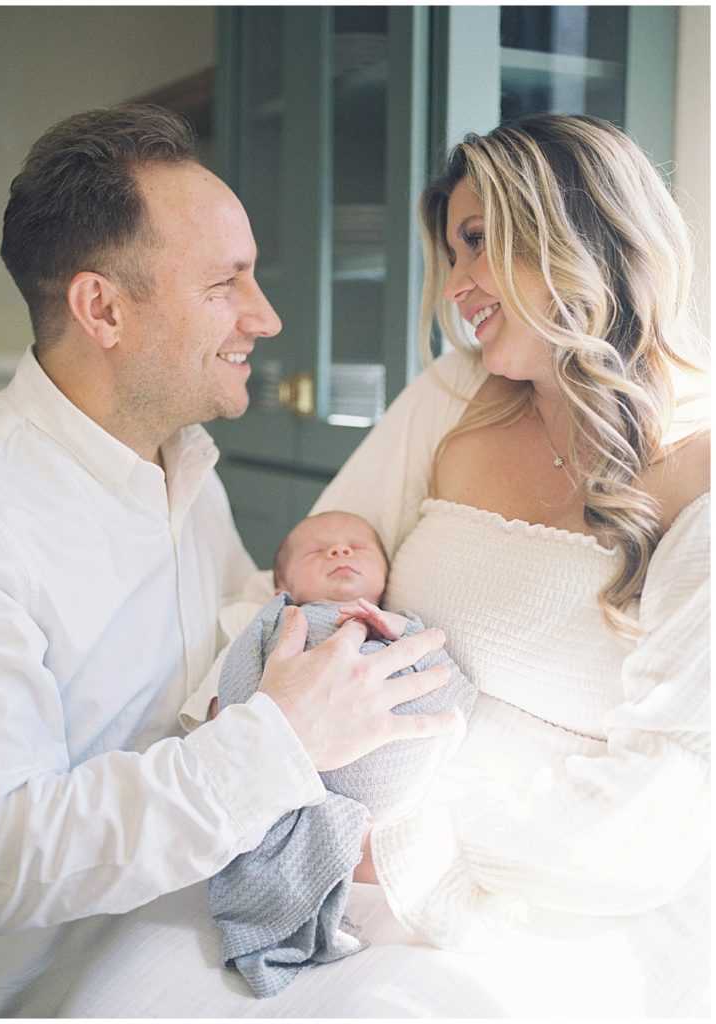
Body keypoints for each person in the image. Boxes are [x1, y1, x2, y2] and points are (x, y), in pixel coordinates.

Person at [0, 104, 454, 1018]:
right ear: (102, 307)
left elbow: (234, 671)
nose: (265, 317)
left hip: (230, 930)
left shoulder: (189, 470)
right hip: (53, 994)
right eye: (227, 282)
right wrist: (281, 745)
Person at [311, 114, 710, 1016]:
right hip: (350, 838)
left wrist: (406, 842)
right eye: (452, 253)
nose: (455, 286)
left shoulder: (705, 478)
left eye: (477, 243)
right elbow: (320, 565)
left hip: (553, 909)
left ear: (580, 229)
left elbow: (655, 817)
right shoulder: (456, 393)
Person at [184, 511, 476, 998]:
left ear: (388, 573)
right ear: (282, 581)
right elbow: (233, 690)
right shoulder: (276, 619)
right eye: (317, 550)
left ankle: (375, 842)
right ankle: (339, 853)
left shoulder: (403, 627)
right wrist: (243, 724)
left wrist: (400, 631)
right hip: (293, 769)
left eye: (356, 546)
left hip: (396, 767)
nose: (339, 551)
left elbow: (452, 687)